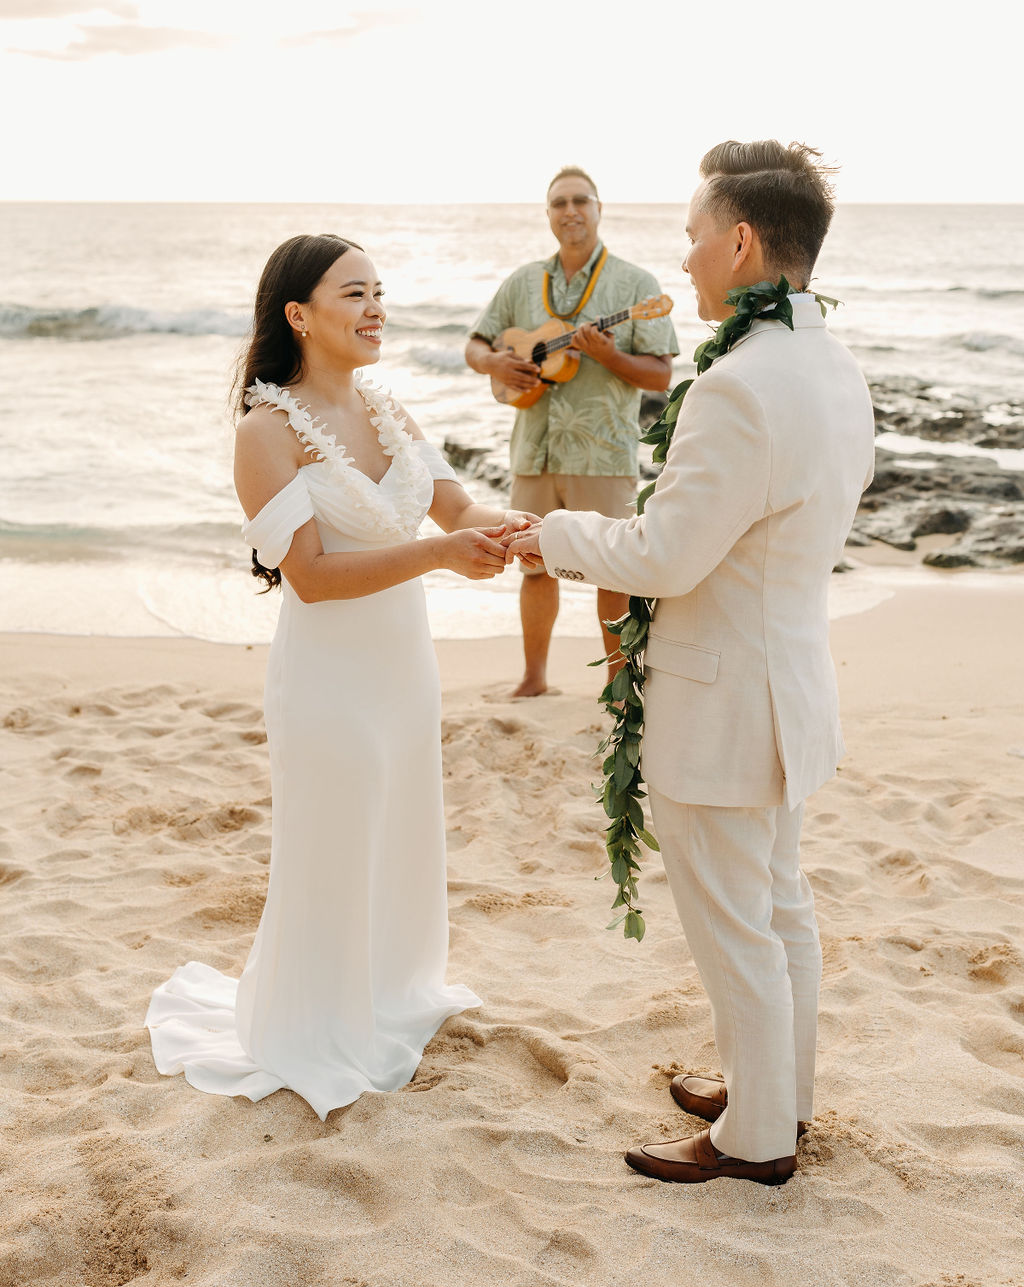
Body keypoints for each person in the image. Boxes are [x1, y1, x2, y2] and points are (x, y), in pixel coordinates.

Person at [509, 141, 876, 1184]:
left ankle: (754, 1142)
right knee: (779, 904)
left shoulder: (737, 388)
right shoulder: (832, 367)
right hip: (791, 682)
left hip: (723, 701)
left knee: (736, 929)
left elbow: (666, 555)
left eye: (692, 235)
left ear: (743, 241)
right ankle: (777, 1094)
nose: (684, 257)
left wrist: (549, 535)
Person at [146, 233, 535, 1120]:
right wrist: (439, 552)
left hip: (405, 668)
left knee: (399, 827)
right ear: (299, 315)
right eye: (353, 294)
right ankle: (318, 1021)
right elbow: (312, 580)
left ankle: (390, 992)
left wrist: (530, 530)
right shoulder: (265, 431)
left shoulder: (390, 411)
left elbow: (462, 506)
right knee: (333, 838)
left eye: (379, 292)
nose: (375, 310)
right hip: (328, 676)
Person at [465, 166, 678, 697]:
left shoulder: (636, 286)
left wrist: (609, 355)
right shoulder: (522, 282)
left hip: (602, 451)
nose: (571, 211)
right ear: (548, 215)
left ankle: (616, 688)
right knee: (531, 565)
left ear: (599, 208)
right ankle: (534, 679)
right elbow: (475, 345)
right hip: (534, 450)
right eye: (559, 203)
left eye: (581, 200)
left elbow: (660, 373)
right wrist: (496, 364)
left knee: (612, 569)